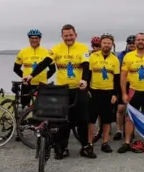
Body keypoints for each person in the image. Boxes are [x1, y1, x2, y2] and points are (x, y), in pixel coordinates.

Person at [24, 24, 95, 159]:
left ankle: (85, 147)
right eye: (65, 35)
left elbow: (86, 66)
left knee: (83, 119)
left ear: (75, 35)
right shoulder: (56, 49)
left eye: (70, 35)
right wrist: (31, 75)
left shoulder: (82, 48)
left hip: (79, 89)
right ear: (62, 36)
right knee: (62, 120)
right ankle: (62, 147)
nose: (68, 37)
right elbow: (44, 63)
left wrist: (85, 80)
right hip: (63, 90)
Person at [87, 33, 120, 153]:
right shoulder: (92, 57)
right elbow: (88, 75)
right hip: (94, 92)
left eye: (109, 43)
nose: (106, 45)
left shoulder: (115, 60)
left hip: (108, 93)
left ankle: (105, 143)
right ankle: (89, 143)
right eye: (104, 43)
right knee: (91, 119)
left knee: (107, 120)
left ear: (112, 45)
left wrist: (115, 94)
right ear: (100, 44)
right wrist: (87, 91)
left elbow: (116, 79)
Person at [13, 29, 56, 109]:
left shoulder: (47, 52)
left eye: (36, 38)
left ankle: (37, 121)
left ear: (40, 39)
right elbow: (16, 68)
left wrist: (44, 77)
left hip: (41, 84)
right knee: (23, 107)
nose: (34, 40)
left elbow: (53, 69)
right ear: (29, 39)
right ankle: (22, 121)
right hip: (27, 84)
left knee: (41, 108)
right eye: (32, 38)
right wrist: (24, 77)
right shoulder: (23, 52)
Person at [112, 35, 136, 141]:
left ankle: (131, 131)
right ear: (127, 44)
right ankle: (119, 130)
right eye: (130, 43)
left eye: (133, 43)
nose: (131, 44)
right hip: (123, 84)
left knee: (133, 109)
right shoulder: (121, 55)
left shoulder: (140, 55)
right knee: (120, 108)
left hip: (135, 85)